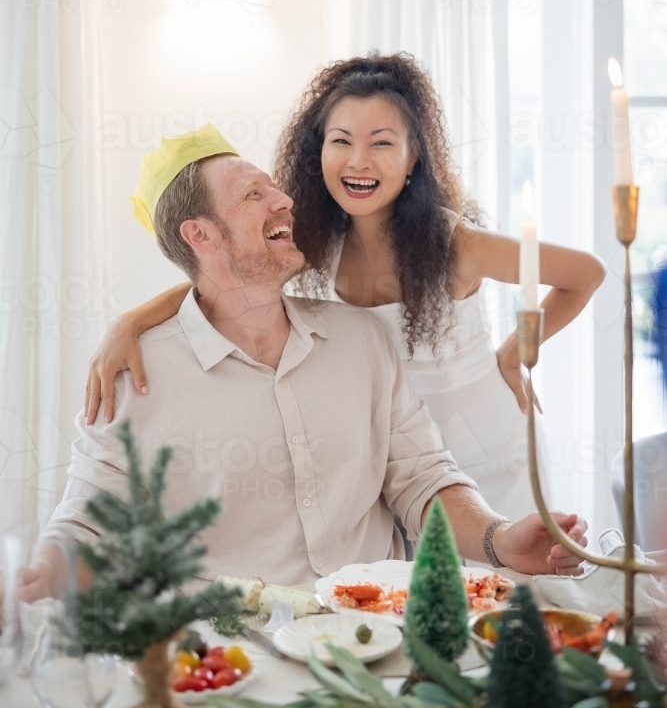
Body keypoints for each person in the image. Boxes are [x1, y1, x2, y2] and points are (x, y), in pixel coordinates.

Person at [20, 127, 588, 601]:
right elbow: (88, 523)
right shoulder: (134, 377)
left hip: (382, 631)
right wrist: (41, 576)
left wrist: (499, 539)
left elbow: (424, 481)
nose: (285, 200)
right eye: (252, 195)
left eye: (276, 188)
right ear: (200, 235)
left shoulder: (362, 340)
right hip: (235, 659)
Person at [85, 55, 606, 521]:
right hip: (394, 458)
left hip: (487, 451)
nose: (359, 161)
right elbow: (228, 275)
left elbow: (584, 273)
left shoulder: (455, 244)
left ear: (413, 157)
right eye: (341, 142)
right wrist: (129, 321)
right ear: (319, 153)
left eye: (382, 143)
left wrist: (516, 352)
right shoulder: (314, 240)